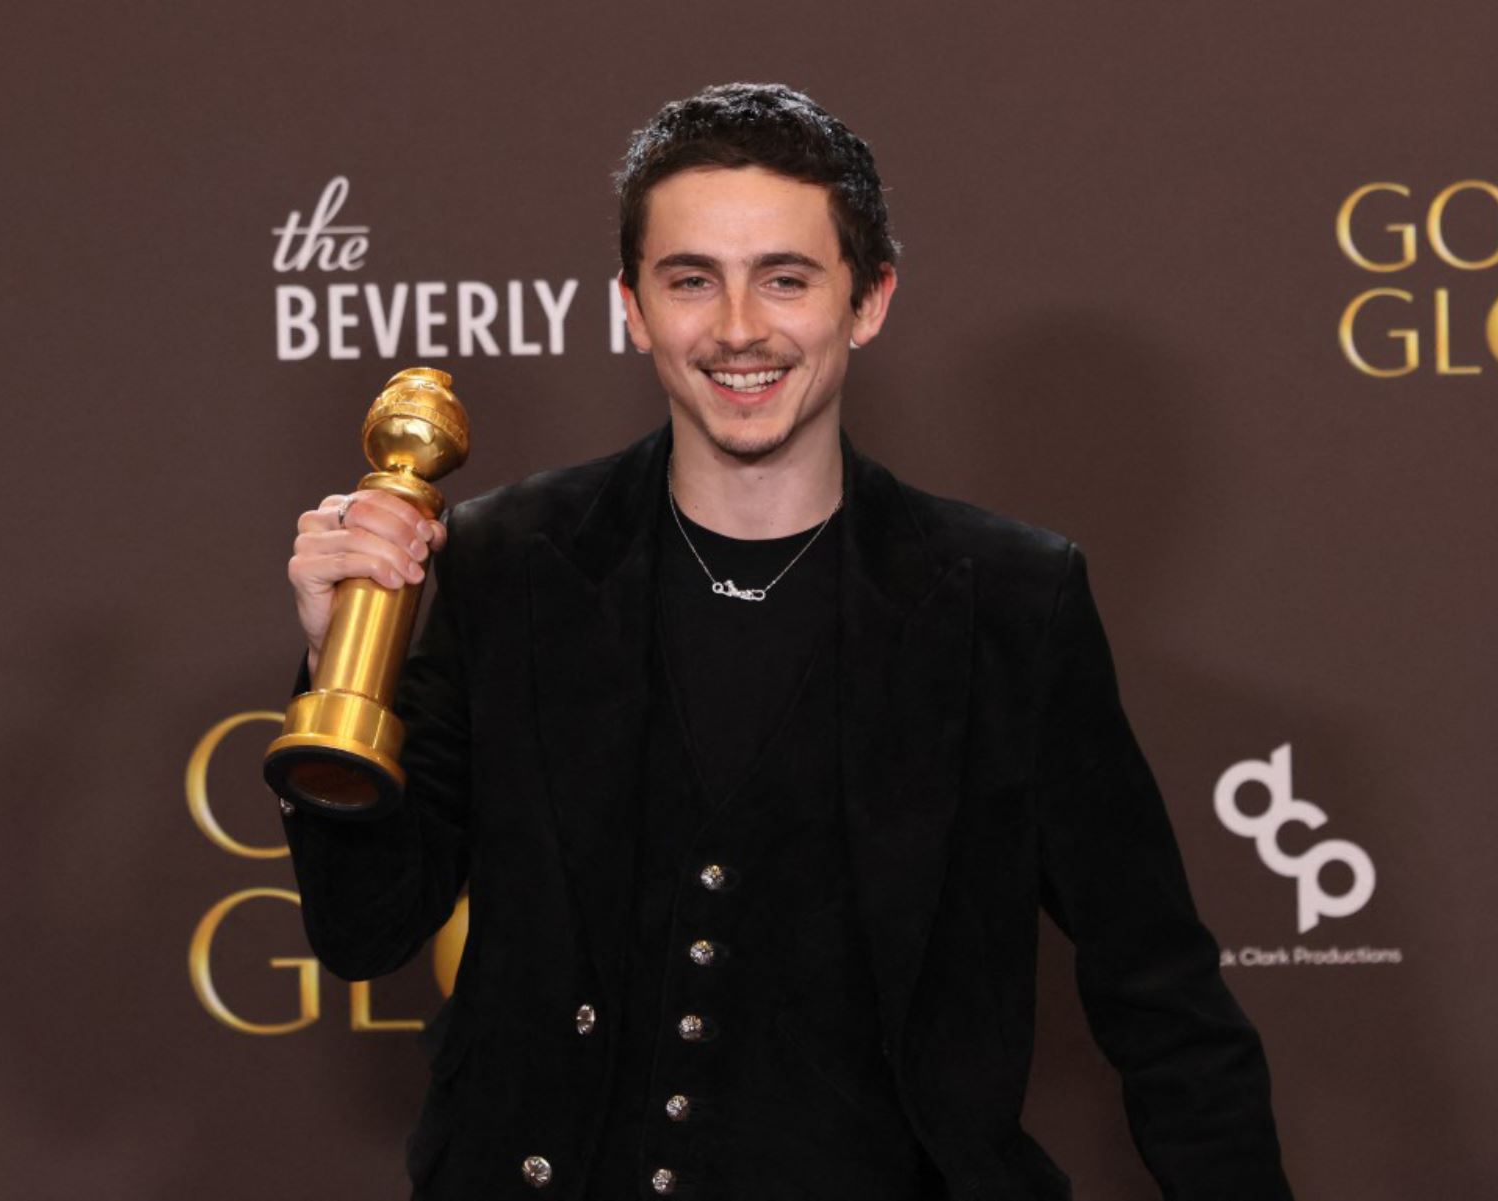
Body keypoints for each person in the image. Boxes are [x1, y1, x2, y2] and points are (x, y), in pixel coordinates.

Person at [278, 82, 1292, 1201]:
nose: (740, 329)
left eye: (786, 278)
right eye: (691, 280)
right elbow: (366, 930)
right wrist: (341, 673)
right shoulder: (508, 561)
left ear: (869, 300)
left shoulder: (1007, 601)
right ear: (632, 306)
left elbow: (1160, 994)